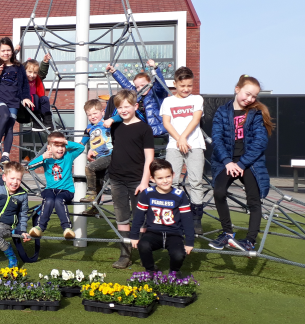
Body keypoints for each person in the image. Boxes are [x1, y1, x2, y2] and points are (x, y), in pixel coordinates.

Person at [208, 75, 274, 253]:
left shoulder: (256, 114)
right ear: (237, 89)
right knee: (219, 191)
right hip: (228, 163)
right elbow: (217, 139)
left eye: (254, 96)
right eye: (247, 94)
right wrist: (228, 162)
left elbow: (260, 142)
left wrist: (242, 164)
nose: (250, 99)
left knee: (254, 200)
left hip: (249, 163)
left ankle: (250, 241)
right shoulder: (222, 111)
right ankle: (227, 233)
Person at [107, 89, 155, 269]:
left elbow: (149, 158)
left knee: (140, 219)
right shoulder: (115, 126)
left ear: (136, 106)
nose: (123, 110)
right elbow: (107, 146)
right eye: (119, 107)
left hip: (137, 181)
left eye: (127, 106)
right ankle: (124, 255)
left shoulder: (144, 128)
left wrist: (144, 181)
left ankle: (143, 253)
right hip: (117, 179)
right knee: (121, 217)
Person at [160, 66, 206, 235]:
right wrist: (179, 139)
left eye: (189, 86)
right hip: (174, 146)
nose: (186, 89)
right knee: (171, 182)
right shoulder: (168, 102)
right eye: (182, 86)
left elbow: (195, 120)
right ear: (175, 84)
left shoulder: (197, 99)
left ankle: (196, 220)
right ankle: (172, 214)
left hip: (194, 145)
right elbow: (166, 123)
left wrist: (183, 138)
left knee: (195, 182)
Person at [130, 159, 194, 275]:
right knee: (143, 245)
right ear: (152, 179)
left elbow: (187, 220)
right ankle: (150, 270)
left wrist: (189, 241)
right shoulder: (147, 194)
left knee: (179, 255)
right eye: (160, 178)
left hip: (174, 234)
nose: (165, 181)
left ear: (173, 175)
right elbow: (139, 216)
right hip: (153, 232)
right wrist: (134, 235)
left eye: (168, 176)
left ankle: (174, 272)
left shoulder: (180, 195)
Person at [0, 37, 34, 164]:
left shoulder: (19, 67)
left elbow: (24, 85)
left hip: (14, 101)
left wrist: (26, 97)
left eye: (8, 50)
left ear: (12, 51)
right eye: (3, 51)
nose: (6, 53)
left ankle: (5, 155)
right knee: (4, 115)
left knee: (10, 126)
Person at [27, 131, 85, 239]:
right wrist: (42, 156)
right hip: (50, 189)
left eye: (62, 145)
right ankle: (39, 227)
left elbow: (81, 148)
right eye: (57, 146)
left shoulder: (69, 155)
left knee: (59, 200)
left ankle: (67, 228)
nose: (61, 149)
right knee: (48, 200)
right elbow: (29, 167)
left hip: (66, 191)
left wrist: (66, 141)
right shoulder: (46, 158)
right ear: (49, 147)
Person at [106, 59, 169, 136]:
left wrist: (155, 68)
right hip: (141, 123)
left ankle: (111, 123)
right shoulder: (137, 93)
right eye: (137, 87)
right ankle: (109, 123)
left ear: (150, 83)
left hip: (154, 126)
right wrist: (114, 72)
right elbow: (125, 84)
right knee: (118, 99)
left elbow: (161, 85)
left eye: (143, 85)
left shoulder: (156, 93)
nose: (140, 88)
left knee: (128, 105)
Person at [80, 99, 121, 214]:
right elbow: (82, 143)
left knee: (89, 167)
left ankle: (91, 193)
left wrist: (111, 119)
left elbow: (121, 117)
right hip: (99, 158)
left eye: (95, 113)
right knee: (98, 182)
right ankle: (95, 208)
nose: (92, 116)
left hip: (110, 155)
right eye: (89, 114)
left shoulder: (106, 123)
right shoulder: (89, 128)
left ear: (102, 112)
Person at [18, 58, 53, 131]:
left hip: (36, 105)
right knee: (35, 97)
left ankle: (48, 122)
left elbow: (42, 73)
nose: (32, 75)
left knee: (44, 99)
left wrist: (45, 62)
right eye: (29, 72)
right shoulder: (21, 79)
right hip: (24, 108)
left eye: (35, 73)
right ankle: (36, 123)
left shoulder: (37, 79)